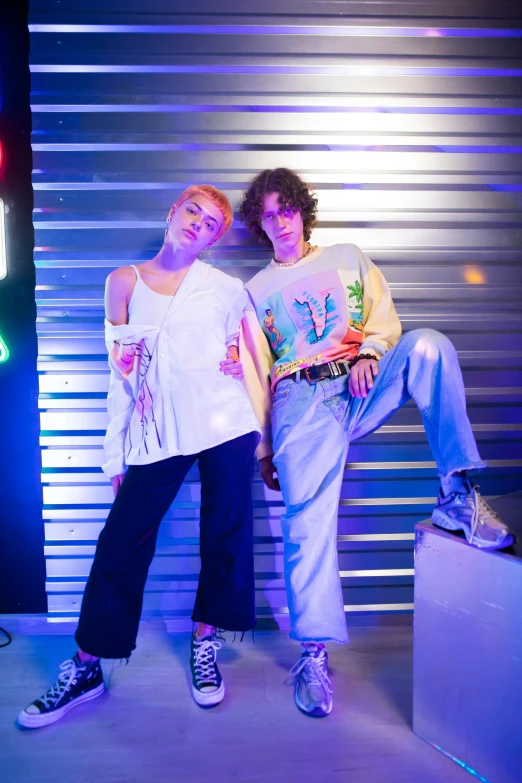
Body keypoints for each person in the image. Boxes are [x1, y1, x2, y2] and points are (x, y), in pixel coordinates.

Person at [237, 167, 515, 719]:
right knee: (307, 522)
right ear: (258, 223)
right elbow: (253, 372)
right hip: (299, 402)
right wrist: (263, 449)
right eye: (267, 214)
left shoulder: (347, 256)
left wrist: (369, 353)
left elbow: (384, 321)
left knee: (429, 346)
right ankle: (313, 654)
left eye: (286, 208)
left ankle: (457, 492)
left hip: (361, 380)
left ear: (301, 210)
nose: (280, 222)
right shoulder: (253, 292)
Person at [19, 185, 261, 728]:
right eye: (193, 211)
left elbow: (249, 359)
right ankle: (87, 668)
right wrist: (114, 457)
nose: (199, 223)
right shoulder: (123, 281)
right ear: (173, 213)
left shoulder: (226, 289)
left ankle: (205, 642)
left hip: (225, 424)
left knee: (226, 533)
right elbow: (120, 377)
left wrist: (257, 422)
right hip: (157, 431)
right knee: (120, 543)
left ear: (214, 242)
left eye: (211, 224)